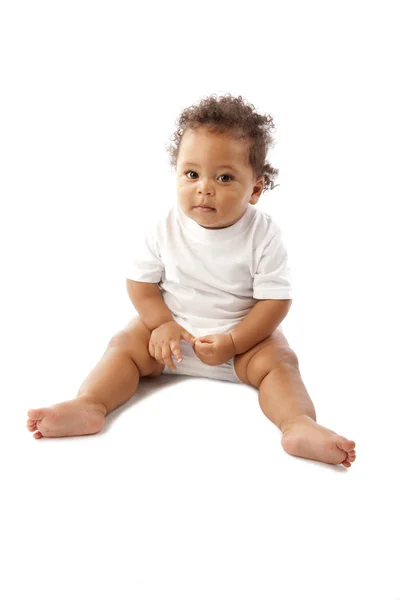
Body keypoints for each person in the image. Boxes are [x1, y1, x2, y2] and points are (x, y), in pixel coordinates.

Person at [26, 93, 356, 468]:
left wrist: (236, 340)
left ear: (256, 189)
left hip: (241, 341)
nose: (204, 187)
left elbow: (274, 301)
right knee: (123, 345)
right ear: (178, 173)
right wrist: (162, 323)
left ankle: (297, 424)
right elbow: (142, 283)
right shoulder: (166, 226)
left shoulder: (263, 234)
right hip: (169, 339)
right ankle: (90, 404)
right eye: (192, 174)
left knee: (280, 362)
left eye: (224, 177)